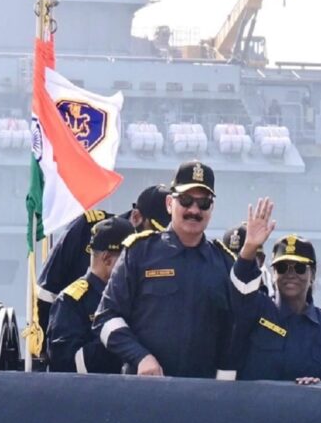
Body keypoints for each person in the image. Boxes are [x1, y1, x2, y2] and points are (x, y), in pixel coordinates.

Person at [93, 160, 238, 379]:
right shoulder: (140, 252)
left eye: (203, 204)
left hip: (201, 397)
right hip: (146, 393)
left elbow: (233, 333)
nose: (194, 210)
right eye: (186, 200)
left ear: (212, 208)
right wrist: (140, 357)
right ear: (170, 203)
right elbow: (105, 318)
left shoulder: (224, 263)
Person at [231, 201, 321, 384]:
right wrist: (249, 248)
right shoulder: (256, 311)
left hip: (310, 412)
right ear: (273, 274)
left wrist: (320, 387)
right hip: (257, 411)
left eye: (299, 268)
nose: (291, 274)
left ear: (312, 274)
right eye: (282, 267)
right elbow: (242, 283)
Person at [35, 184, 171, 333]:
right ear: (136, 217)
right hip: (73, 330)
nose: (158, 240)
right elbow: (47, 292)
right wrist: (44, 348)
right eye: (155, 231)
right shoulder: (87, 229)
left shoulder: (166, 252)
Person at [46, 216, 135, 373]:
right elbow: (65, 364)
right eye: (129, 259)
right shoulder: (71, 301)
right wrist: (117, 337)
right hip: (94, 393)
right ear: (107, 259)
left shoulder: (134, 295)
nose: (135, 265)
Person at [216, 222, 271, 296]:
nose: (237, 266)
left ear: (261, 260)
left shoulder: (270, 300)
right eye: (230, 258)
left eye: (246, 259)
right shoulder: (211, 297)